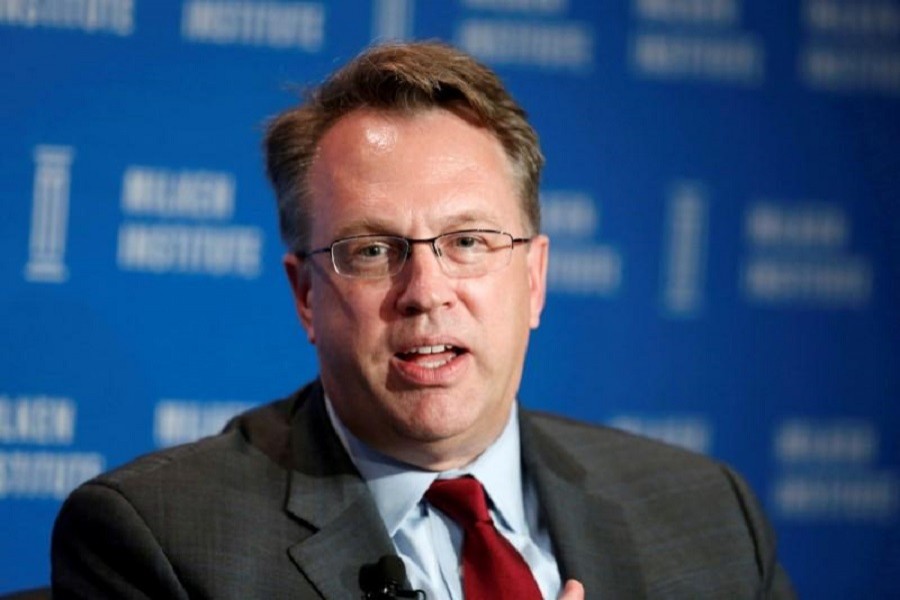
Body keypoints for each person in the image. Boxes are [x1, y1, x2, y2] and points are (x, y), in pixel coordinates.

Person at [51, 41, 794, 599]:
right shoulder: (160, 542)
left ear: (533, 279)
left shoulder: (708, 518)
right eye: (373, 250)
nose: (425, 290)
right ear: (306, 294)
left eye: (469, 242)